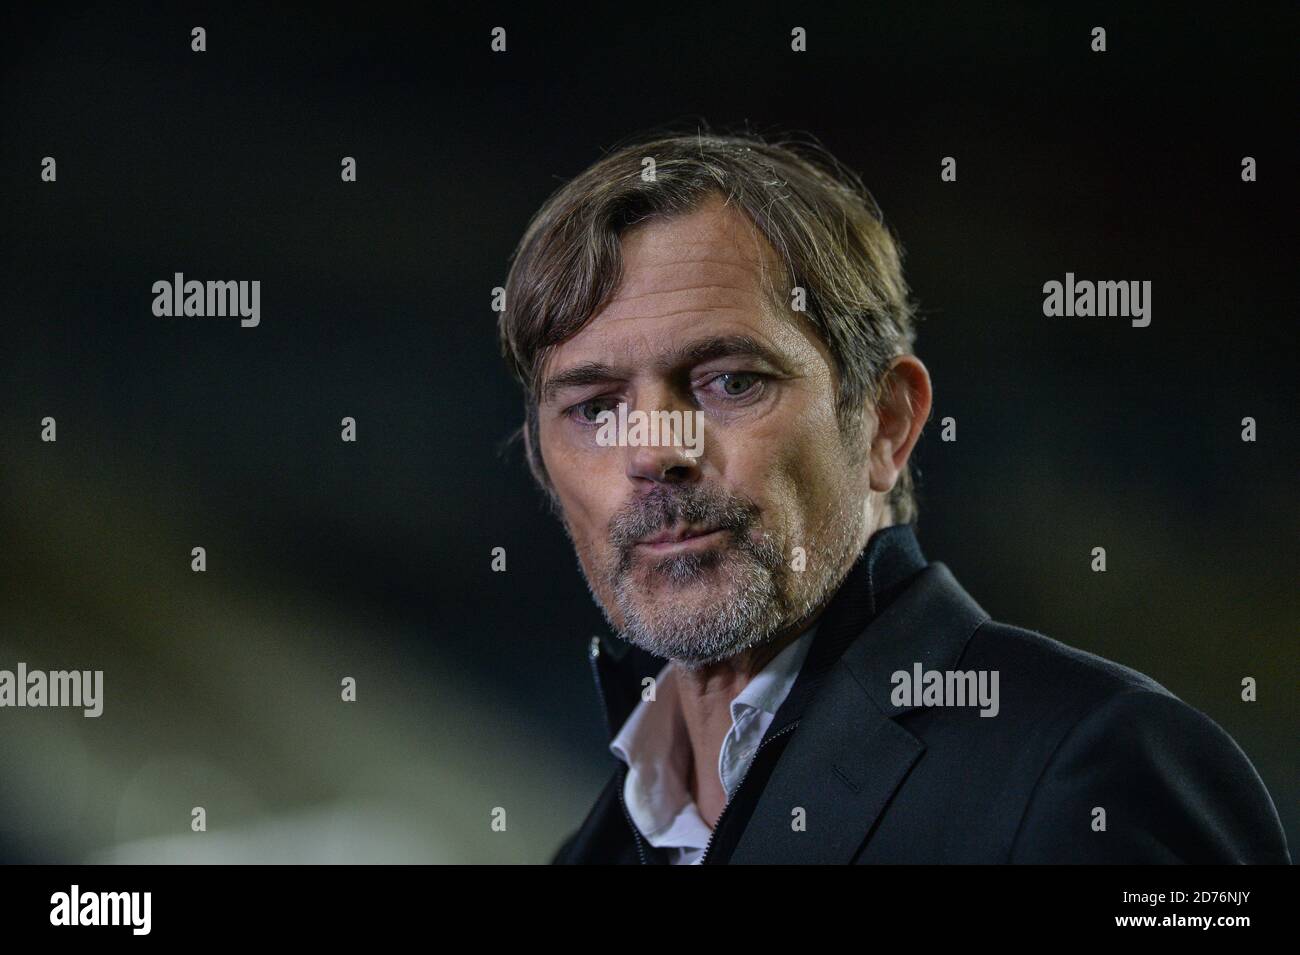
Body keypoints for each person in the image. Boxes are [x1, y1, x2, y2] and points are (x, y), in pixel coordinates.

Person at [496, 128, 1290, 864]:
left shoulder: (1098, 769)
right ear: (540, 460)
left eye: (731, 380)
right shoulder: (592, 849)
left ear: (885, 421)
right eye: (594, 407)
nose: (654, 449)